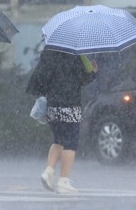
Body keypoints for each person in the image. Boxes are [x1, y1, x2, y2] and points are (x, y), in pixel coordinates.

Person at [26, 50, 98, 193]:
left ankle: (48, 171)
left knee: (58, 140)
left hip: (52, 105)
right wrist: (93, 72)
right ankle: (63, 181)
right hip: (70, 104)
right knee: (70, 142)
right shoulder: (76, 54)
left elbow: (40, 78)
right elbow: (83, 78)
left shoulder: (48, 53)